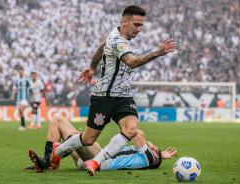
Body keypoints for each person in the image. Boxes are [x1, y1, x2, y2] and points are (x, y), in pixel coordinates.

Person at [50, 5, 177, 176]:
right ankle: (57, 152)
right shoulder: (118, 41)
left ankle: (96, 162)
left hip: (123, 96)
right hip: (104, 96)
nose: (139, 29)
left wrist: (91, 67)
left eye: (141, 26)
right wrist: (157, 53)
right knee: (88, 139)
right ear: (125, 21)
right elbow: (131, 62)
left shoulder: (116, 35)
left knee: (131, 129)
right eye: (136, 25)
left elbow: (101, 48)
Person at [25, 115, 177, 172]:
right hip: (93, 157)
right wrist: (158, 152)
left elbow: (137, 133)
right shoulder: (145, 156)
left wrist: (155, 150)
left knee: (79, 137)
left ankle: (48, 161)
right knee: (57, 121)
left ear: (154, 154)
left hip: (101, 162)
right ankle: (46, 161)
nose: (152, 146)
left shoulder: (148, 158)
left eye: (154, 149)